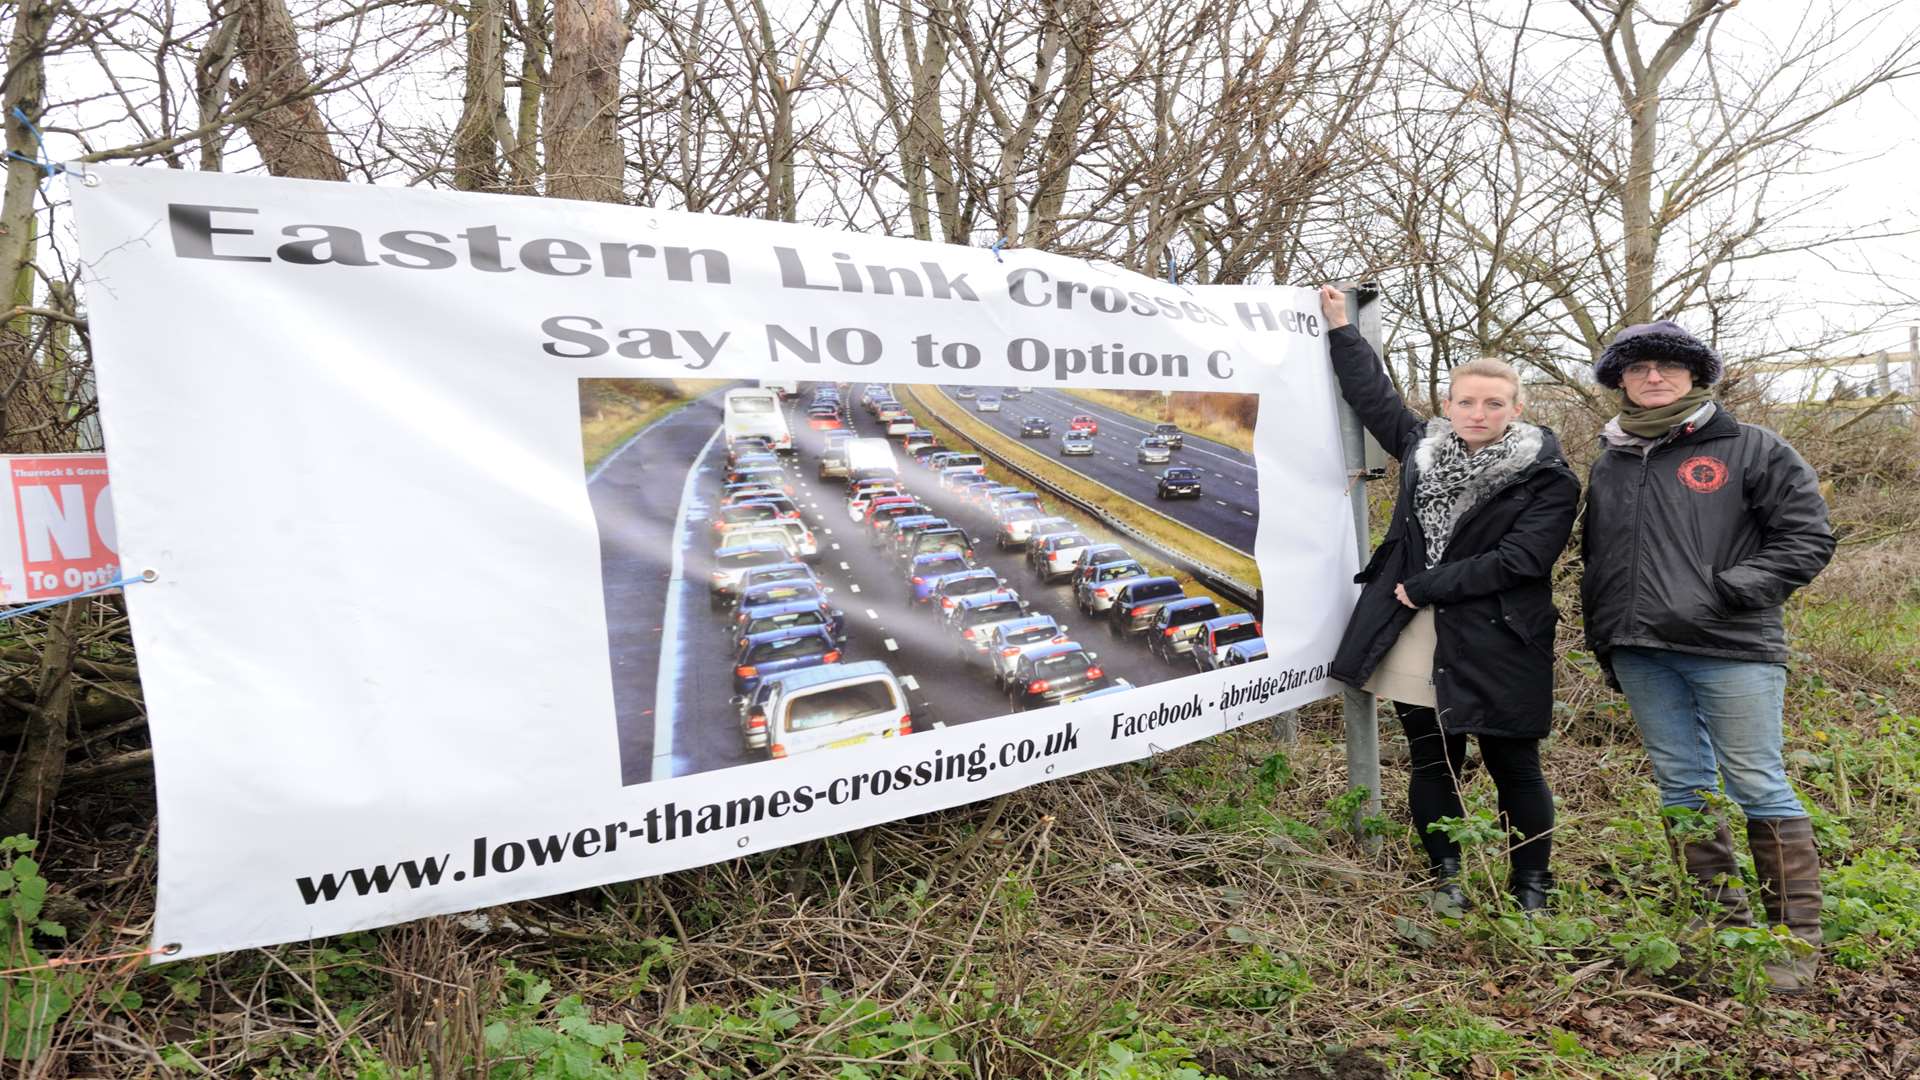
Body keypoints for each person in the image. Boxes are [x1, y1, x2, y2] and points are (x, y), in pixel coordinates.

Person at [1581, 320, 1835, 993]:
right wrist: (1605, 632)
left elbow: (1807, 539)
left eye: (1667, 366)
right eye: (1639, 369)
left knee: (1758, 782)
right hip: (1640, 651)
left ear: (1695, 375)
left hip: (1731, 647)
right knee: (1681, 785)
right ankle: (1718, 924)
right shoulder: (1610, 460)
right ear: (1622, 381)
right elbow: (1600, 555)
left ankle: (1792, 946)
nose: (1654, 377)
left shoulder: (1752, 448)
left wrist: (1726, 594)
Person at [1319, 286, 1580, 914]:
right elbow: (1373, 396)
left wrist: (1432, 583)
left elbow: (1522, 560)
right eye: (1466, 401)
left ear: (1518, 408)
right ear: (1448, 404)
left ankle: (1531, 890)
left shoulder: (1547, 476)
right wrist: (1340, 329)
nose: (1478, 413)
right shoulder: (1422, 447)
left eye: (1494, 403)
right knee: (1432, 761)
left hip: (1500, 632)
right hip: (1414, 630)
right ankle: (1447, 878)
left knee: (1512, 763)